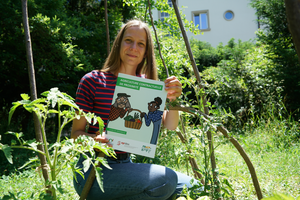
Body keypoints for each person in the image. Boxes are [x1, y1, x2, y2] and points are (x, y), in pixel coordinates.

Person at [71, 19, 194, 200]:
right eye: (128, 40)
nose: (133, 47)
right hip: (93, 170)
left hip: (125, 166)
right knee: (166, 180)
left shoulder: (148, 86)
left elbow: (170, 125)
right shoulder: (93, 80)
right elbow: (75, 135)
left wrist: (173, 100)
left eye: (141, 44)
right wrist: (95, 140)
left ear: (146, 52)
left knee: (192, 186)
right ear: (119, 43)